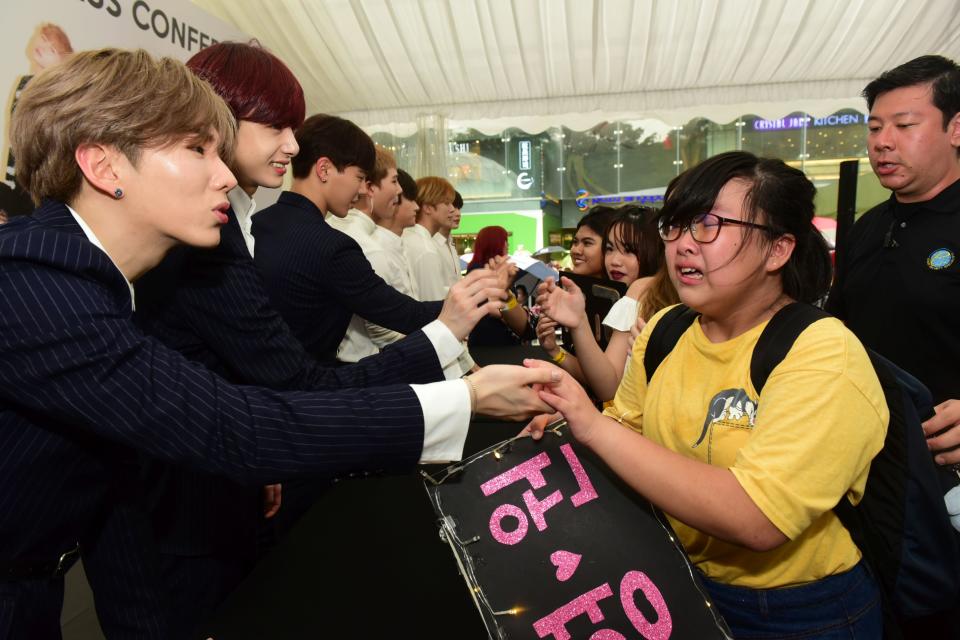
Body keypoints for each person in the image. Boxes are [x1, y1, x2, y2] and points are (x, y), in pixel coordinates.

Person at [0, 47, 555, 639]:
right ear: (105, 168)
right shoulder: (36, 285)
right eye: (197, 149)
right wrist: (465, 400)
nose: (222, 174)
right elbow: (235, 427)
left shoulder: (86, 275)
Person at [529, 151, 887, 638]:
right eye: (674, 225)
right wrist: (566, 428)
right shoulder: (664, 329)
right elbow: (626, 428)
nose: (681, 245)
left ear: (777, 250)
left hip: (797, 611)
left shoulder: (822, 351)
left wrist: (591, 427)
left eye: (708, 225)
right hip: (676, 581)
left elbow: (757, 518)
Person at [825, 54, 960, 638]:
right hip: (874, 473)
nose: (883, 141)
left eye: (904, 126)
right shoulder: (865, 228)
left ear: (957, 128)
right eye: (875, 127)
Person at [253, 116, 494, 365]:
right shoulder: (332, 246)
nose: (360, 191)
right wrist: (475, 297)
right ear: (324, 169)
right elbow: (403, 314)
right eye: (359, 177)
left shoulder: (257, 223)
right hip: (308, 389)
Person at [536, 206, 678, 400]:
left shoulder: (639, 290)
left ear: (655, 250)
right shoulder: (635, 293)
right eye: (610, 249)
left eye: (630, 250)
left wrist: (579, 323)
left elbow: (608, 387)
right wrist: (556, 351)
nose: (614, 260)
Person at [336, 145, 407, 363]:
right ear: (369, 187)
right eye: (394, 181)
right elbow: (382, 329)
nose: (399, 191)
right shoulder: (367, 245)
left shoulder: (339, 228)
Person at [465, 226, 531, 347]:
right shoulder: (479, 270)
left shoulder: (501, 269)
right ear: (495, 243)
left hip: (504, 337)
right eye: (505, 240)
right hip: (489, 340)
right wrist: (517, 315)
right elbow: (490, 308)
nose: (508, 244)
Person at [403, 176, 457, 300]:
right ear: (427, 208)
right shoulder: (426, 249)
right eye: (447, 203)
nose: (452, 209)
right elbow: (432, 302)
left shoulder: (412, 237)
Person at [569, 205, 616, 278]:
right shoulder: (563, 286)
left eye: (587, 243)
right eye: (575, 242)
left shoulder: (634, 288)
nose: (575, 250)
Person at [434, 189, 464, 288]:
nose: (458, 213)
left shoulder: (450, 243)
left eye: (459, 208)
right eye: (452, 207)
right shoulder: (431, 245)